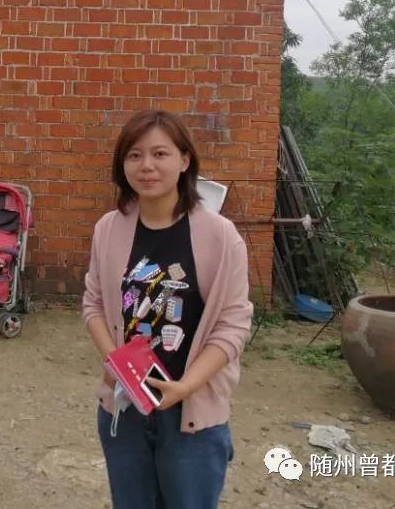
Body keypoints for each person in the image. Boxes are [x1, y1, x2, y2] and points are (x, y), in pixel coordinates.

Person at [82, 109, 253, 509]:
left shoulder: (220, 236)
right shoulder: (108, 229)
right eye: (135, 155)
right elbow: (93, 303)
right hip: (125, 408)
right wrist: (114, 361)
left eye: (160, 154)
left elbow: (233, 325)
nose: (147, 166)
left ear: (184, 160)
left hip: (191, 416)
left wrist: (186, 387)